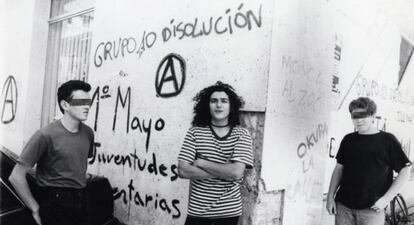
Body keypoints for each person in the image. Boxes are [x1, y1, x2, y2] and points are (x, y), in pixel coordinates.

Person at [9, 80, 94, 225]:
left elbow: (78, 164)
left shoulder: (88, 133)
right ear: (64, 105)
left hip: (81, 200)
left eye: (89, 102)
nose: (87, 106)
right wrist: (35, 208)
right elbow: (16, 176)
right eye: (81, 102)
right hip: (54, 203)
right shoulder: (45, 135)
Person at [326, 97, 412, 225]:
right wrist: (330, 197)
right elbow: (339, 169)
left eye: (363, 115)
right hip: (343, 206)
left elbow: (405, 171)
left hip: (372, 209)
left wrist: (386, 199)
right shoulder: (348, 140)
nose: (359, 120)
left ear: (373, 116)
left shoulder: (388, 140)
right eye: (355, 116)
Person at [178, 81, 254, 225]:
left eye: (224, 101)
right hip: (197, 213)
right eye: (214, 101)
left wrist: (202, 163)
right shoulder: (194, 132)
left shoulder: (241, 134)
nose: (219, 105)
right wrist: (225, 170)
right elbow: (183, 170)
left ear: (231, 106)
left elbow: (236, 173)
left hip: (229, 214)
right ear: (207, 105)